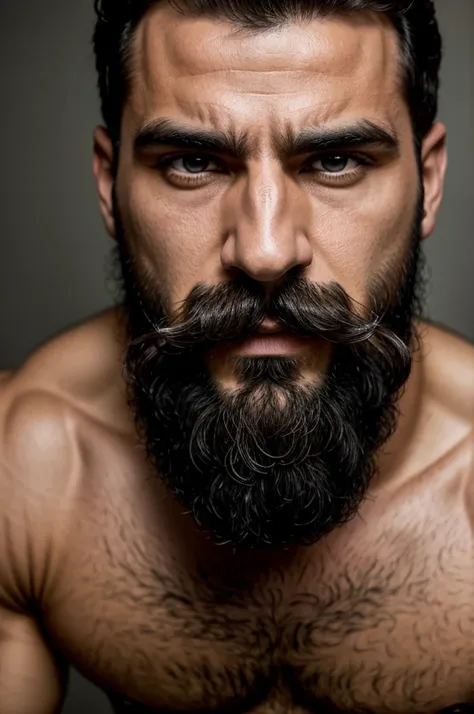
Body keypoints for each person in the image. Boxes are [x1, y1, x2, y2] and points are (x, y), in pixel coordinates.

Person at [1, 0, 473, 712]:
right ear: (108, 183)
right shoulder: (26, 471)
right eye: (192, 162)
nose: (265, 250)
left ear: (428, 182)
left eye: (336, 160)